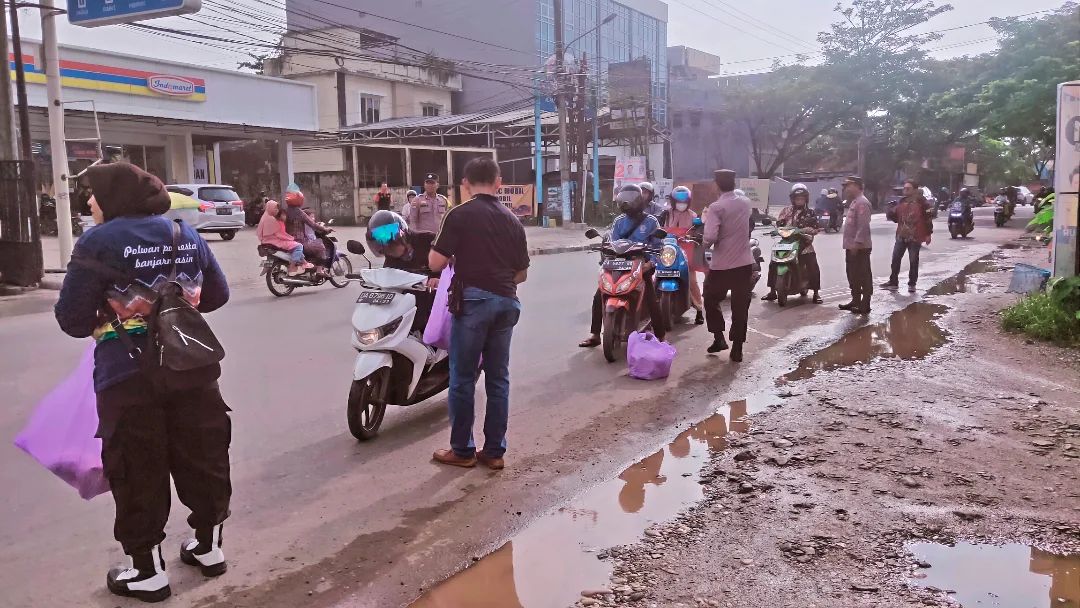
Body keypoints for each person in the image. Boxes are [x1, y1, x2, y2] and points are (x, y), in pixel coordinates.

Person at [54, 162, 231, 603]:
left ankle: (147, 573)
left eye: (93, 194)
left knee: (137, 467)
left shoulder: (99, 240)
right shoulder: (183, 233)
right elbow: (217, 295)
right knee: (203, 455)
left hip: (128, 377)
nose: (89, 203)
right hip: (191, 366)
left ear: (114, 197)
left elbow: (72, 319)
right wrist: (172, 305)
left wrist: (121, 314)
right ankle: (209, 549)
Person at [428, 157, 530, 470]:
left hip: (473, 303)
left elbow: (434, 263)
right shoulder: (512, 219)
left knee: (462, 378)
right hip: (506, 304)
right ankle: (494, 452)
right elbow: (521, 274)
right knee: (498, 379)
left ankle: (462, 450)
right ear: (499, 183)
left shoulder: (458, 214)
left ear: (465, 185)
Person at [578, 184, 667, 348]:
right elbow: (612, 242)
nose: (626, 204)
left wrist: (650, 263)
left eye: (630, 200)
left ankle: (661, 337)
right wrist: (604, 251)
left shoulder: (651, 222)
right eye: (623, 201)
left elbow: (658, 247)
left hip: (642, 264)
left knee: (651, 298)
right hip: (619, 263)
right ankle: (595, 334)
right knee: (599, 295)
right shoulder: (618, 222)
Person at [701, 169, 754, 361]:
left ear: (717, 184)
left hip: (722, 265)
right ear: (734, 183)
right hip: (744, 263)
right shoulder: (745, 203)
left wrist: (703, 243)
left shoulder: (716, 207)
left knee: (709, 297)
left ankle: (719, 337)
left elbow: (710, 237)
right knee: (740, 306)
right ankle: (737, 348)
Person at [365, 210, 438, 332]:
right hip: (408, 305)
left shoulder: (427, 240)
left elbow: (448, 263)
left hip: (434, 299)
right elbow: (387, 278)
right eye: (382, 244)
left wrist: (438, 278)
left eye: (391, 244)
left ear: (402, 235)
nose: (387, 248)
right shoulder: (391, 260)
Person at [762, 183, 822, 304]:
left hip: (804, 243)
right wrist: (776, 229)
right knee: (773, 262)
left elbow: (816, 227)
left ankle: (816, 293)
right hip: (786, 241)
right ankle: (772, 291)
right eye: (797, 198)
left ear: (806, 199)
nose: (799, 200)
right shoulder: (786, 210)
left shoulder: (810, 213)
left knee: (812, 264)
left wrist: (809, 230)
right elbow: (779, 223)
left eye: (802, 198)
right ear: (793, 199)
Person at [660, 185, 705, 325]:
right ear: (673, 201)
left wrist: (697, 235)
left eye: (684, 202)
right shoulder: (665, 214)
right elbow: (657, 228)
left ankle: (699, 310)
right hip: (667, 251)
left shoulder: (693, 216)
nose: (681, 204)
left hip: (686, 253)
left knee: (692, 281)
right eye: (678, 201)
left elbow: (699, 231)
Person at [882, 179, 933, 293]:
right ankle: (893, 282)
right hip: (901, 236)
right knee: (895, 258)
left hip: (915, 237)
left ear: (915, 190)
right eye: (904, 188)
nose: (905, 190)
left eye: (908, 188)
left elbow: (928, 219)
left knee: (913, 260)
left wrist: (928, 234)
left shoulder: (923, 204)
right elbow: (896, 219)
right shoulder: (902, 201)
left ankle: (912, 284)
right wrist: (890, 212)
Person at [840, 176, 873, 314]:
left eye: (849, 185)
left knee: (863, 275)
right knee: (852, 275)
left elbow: (863, 226)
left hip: (859, 247)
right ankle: (855, 300)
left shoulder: (862, 203)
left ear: (857, 186)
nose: (846, 188)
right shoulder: (854, 202)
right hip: (851, 246)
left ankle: (865, 304)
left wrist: (857, 243)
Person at [257, 200, 309, 275]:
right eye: (275, 208)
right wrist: (291, 238)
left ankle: (304, 263)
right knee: (298, 246)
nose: (276, 210)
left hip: (265, 242)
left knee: (293, 245)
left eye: (277, 208)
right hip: (274, 241)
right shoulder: (273, 220)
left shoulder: (265, 216)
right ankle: (292, 267)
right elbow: (280, 234)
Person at [283, 190, 330, 266]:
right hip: (299, 242)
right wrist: (325, 229)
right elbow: (313, 224)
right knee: (320, 246)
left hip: (287, 241)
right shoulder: (299, 212)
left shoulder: (284, 211)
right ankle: (319, 271)